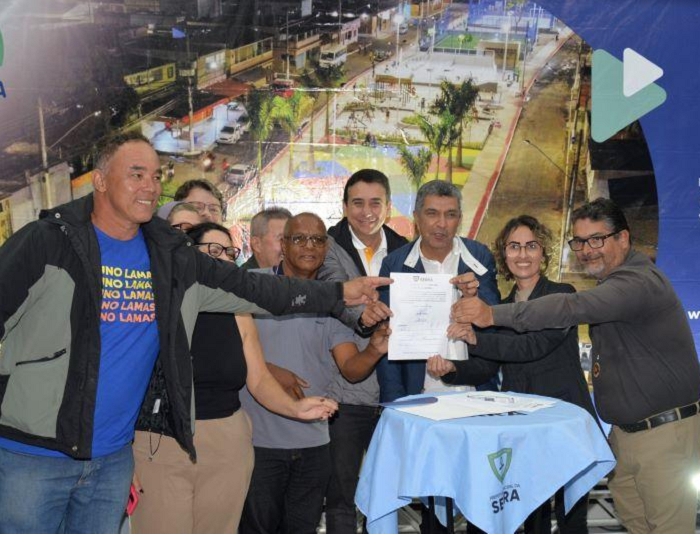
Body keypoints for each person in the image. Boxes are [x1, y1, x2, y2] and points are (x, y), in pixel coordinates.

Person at [0, 132, 389, 532]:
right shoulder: (49, 241)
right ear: (100, 180)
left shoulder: (170, 257)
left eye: (156, 176)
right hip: (33, 453)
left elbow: (256, 288)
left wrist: (338, 292)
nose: (150, 186)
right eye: (136, 174)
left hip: (111, 459)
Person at [451, 198, 700, 534]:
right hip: (625, 437)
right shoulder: (613, 285)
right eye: (580, 242)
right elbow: (491, 362)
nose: (587, 250)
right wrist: (450, 364)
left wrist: (490, 315)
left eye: (597, 239)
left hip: (662, 436)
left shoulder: (637, 282)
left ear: (623, 238)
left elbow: (566, 311)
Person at [131, 222, 337, 533]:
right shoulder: (157, 306)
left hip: (228, 442)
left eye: (230, 253)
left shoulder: (239, 311)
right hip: (162, 442)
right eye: (214, 251)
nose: (224, 259)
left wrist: (296, 409)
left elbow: (259, 379)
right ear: (187, 257)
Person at [427, 215, 595, 534]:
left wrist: (476, 337)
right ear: (504, 255)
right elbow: (488, 366)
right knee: (532, 519)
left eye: (531, 246)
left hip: (564, 423)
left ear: (543, 252)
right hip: (524, 428)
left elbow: (532, 346)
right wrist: (451, 369)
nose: (522, 254)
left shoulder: (561, 295)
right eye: (514, 246)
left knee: (572, 520)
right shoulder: (500, 309)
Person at [239, 213, 391, 534]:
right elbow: (219, 348)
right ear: (283, 245)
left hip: (314, 445)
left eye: (318, 240)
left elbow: (351, 369)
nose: (309, 246)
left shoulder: (332, 299)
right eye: (299, 238)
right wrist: (267, 369)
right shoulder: (253, 284)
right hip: (259, 443)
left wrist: (375, 349)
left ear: (326, 248)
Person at [318, 169, 407, 534]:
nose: (366, 212)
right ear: (344, 206)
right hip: (345, 391)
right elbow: (333, 290)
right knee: (340, 494)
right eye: (357, 203)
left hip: (394, 391)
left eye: (375, 203)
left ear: (388, 206)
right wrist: (364, 317)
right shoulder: (326, 246)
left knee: (388, 492)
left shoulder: (406, 249)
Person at [376, 179, 500, 404]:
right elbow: (387, 339)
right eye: (432, 213)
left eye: (450, 215)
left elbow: (494, 325)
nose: (441, 224)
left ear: (459, 219)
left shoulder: (479, 257)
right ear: (417, 217)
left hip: (474, 391)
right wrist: (394, 403)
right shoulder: (395, 264)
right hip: (419, 394)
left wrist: (473, 299)